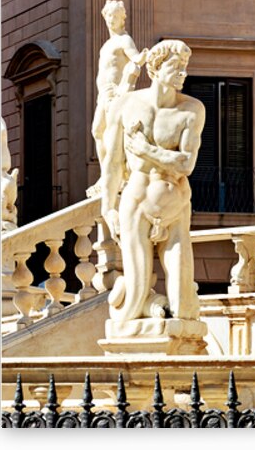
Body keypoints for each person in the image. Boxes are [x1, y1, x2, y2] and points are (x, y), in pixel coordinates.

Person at [100, 39, 205, 323]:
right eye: (176, 66)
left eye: (185, 66)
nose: (183, 72)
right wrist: (107, 207)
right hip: (137, 203)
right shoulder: (126, 105)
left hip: (177, 205)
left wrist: (147, 150)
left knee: (184, 307)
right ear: (156, 69)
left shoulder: (192, 110)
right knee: (131, 302)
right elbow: (112, 163)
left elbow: (186, 164)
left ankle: (175, 334)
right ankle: (141, 300)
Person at [89, 0, 148, 196]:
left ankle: (116, 174)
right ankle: (107, 172)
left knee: (112, 134)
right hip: (103, 94)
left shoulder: (125, 40)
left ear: (122, 18)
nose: (111, 20)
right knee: (98, 131)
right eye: (108, 16)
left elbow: (136, 58)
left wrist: (147, 56)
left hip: (115, 94)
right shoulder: (107, 44)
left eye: (115, 16)